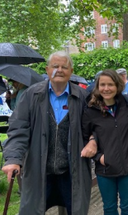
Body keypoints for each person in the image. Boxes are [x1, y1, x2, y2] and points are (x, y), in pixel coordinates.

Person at [2, 51, 92, 215]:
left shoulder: (83, 97)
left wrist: (94, 140)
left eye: (64, 67)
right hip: (39, 170)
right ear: (47, 69)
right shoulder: (32, 95)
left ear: (71, 71)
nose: (59, 70)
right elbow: (18, 129)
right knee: (32, 210)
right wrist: (14, 159)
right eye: (55, 66)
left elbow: (96, 126)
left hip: (72, 171)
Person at [81, 69, 128, 214]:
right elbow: (85, 137)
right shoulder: (91, 111)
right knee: (109, 207)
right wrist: (98, 157)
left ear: (118, 86)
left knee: (127, 206)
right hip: (105, 168)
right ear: (97, 86)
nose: (106, 88)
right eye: (102, 84)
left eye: (110, 84)